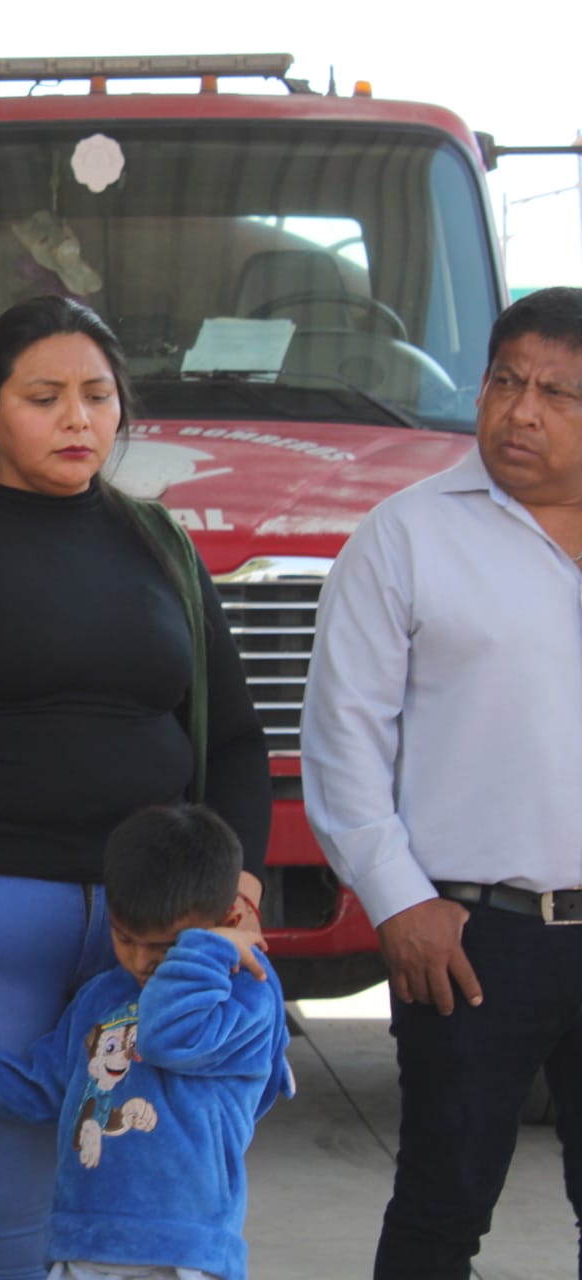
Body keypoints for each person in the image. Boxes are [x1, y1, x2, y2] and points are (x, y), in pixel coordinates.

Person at [0, 295, 272, 1280]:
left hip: (159, 943)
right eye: (45, 396)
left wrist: (230, 902)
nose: (78, 420)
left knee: (142, 1234)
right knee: (4, 1235)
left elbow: (238, 741)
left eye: (98, 396)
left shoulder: (159, 541)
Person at [301, 285, 582, 1279]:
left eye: (556, 391)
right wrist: (400, 900)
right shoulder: (405, 536)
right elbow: (341, 741)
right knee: (440, 1210)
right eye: (506, 381)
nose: (522, 411)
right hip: (469, 938)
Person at [0, 804, 291, 1280]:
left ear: (228, 920)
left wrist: (210, 949)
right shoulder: (103, 995)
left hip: (184, 1254)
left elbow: (170, 1036)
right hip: (82, 1245)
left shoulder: (246, 992)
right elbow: (42, 1084)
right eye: (125, 939)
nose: (142, 962)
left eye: (167, 947)